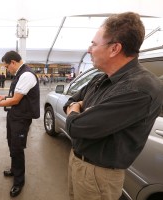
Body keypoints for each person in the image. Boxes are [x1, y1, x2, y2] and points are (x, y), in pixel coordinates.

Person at [63, 12, 163, 200]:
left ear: (114, 48)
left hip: (98, 175)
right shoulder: (101, 78)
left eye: (94, 44)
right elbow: (70, 102)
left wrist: (78, 109)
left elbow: (75, 127)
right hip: (78, 162)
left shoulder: (139, 88)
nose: (89, 49)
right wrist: (78, 108)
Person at [0, 51, 40, 197]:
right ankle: (14, 169)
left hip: (21, 119)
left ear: (13, 63)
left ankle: (19, 181)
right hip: (14, 116)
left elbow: (16, 100)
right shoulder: (20, 74)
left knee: (17, 148)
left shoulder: (26, 75)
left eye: (6, 66)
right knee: (11, 143)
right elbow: (18, 95)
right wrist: (3, 97)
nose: (7, 69)